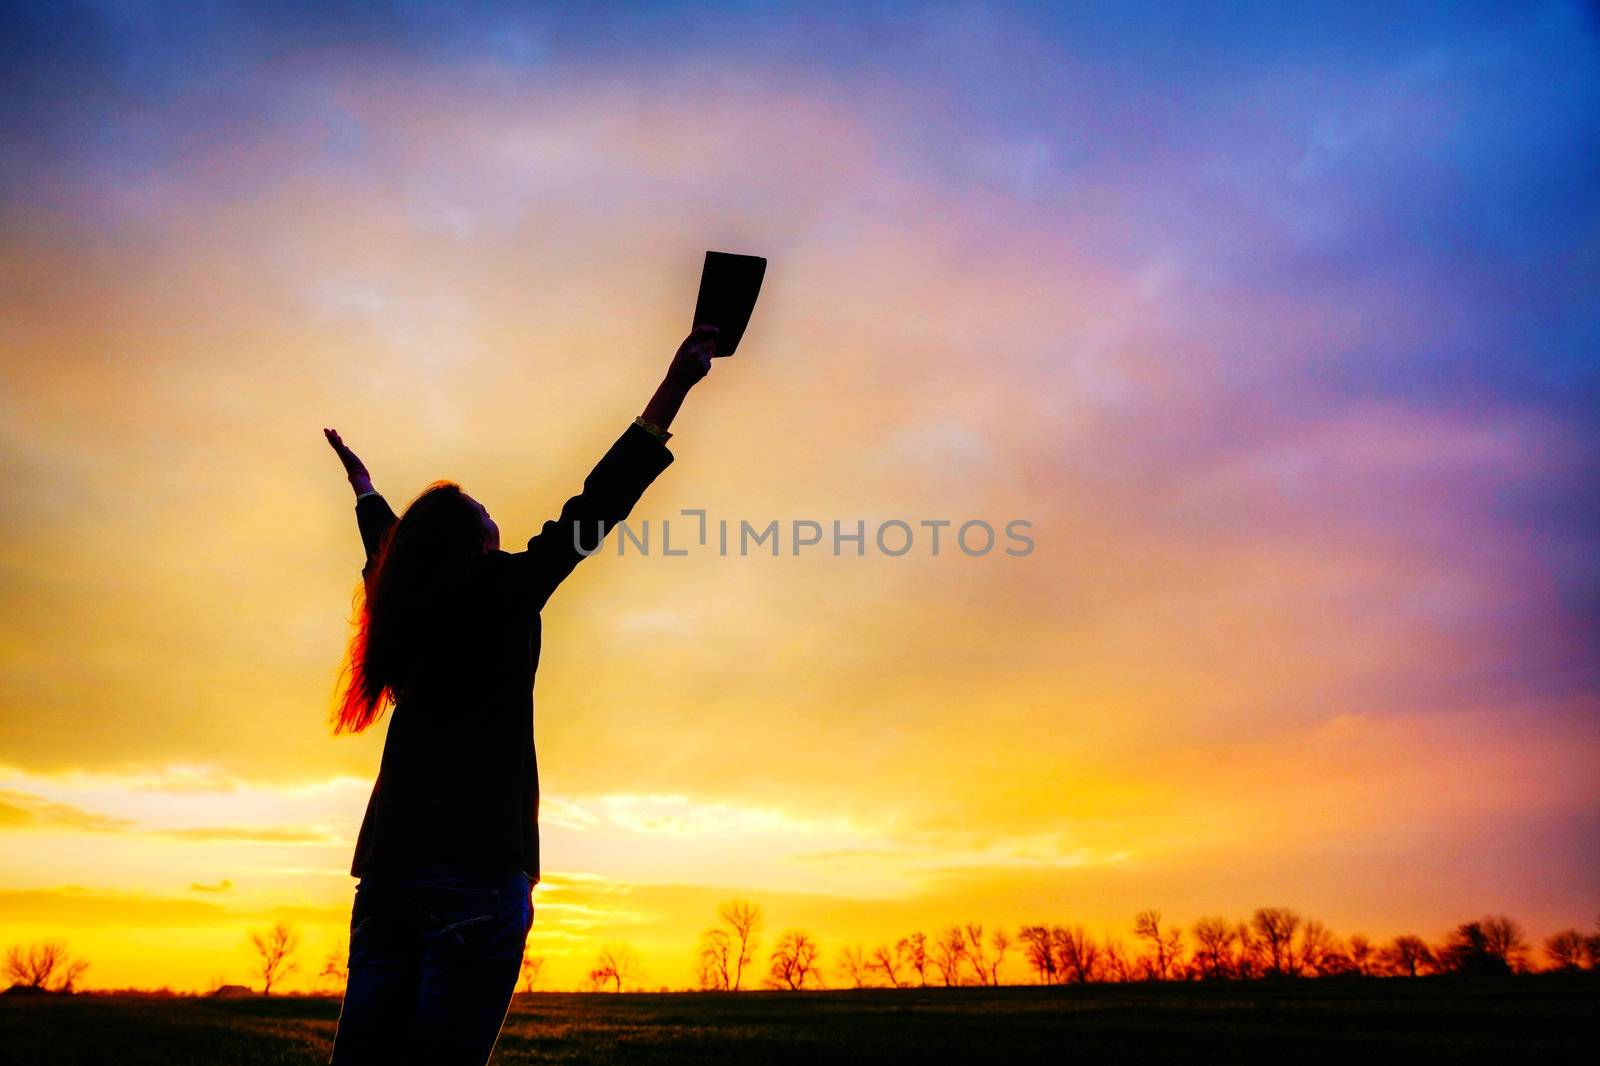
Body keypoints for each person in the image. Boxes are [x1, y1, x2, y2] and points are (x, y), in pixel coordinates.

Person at [320, 324, 720, 1065]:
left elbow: (388, 551)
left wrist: (366, 491)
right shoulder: (505, 590)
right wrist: (671, 390)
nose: (499, 526)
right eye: (488, 520)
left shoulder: (402, 612)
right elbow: (597, 505)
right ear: (478, 543)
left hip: (390, 876)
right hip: (477, 874)